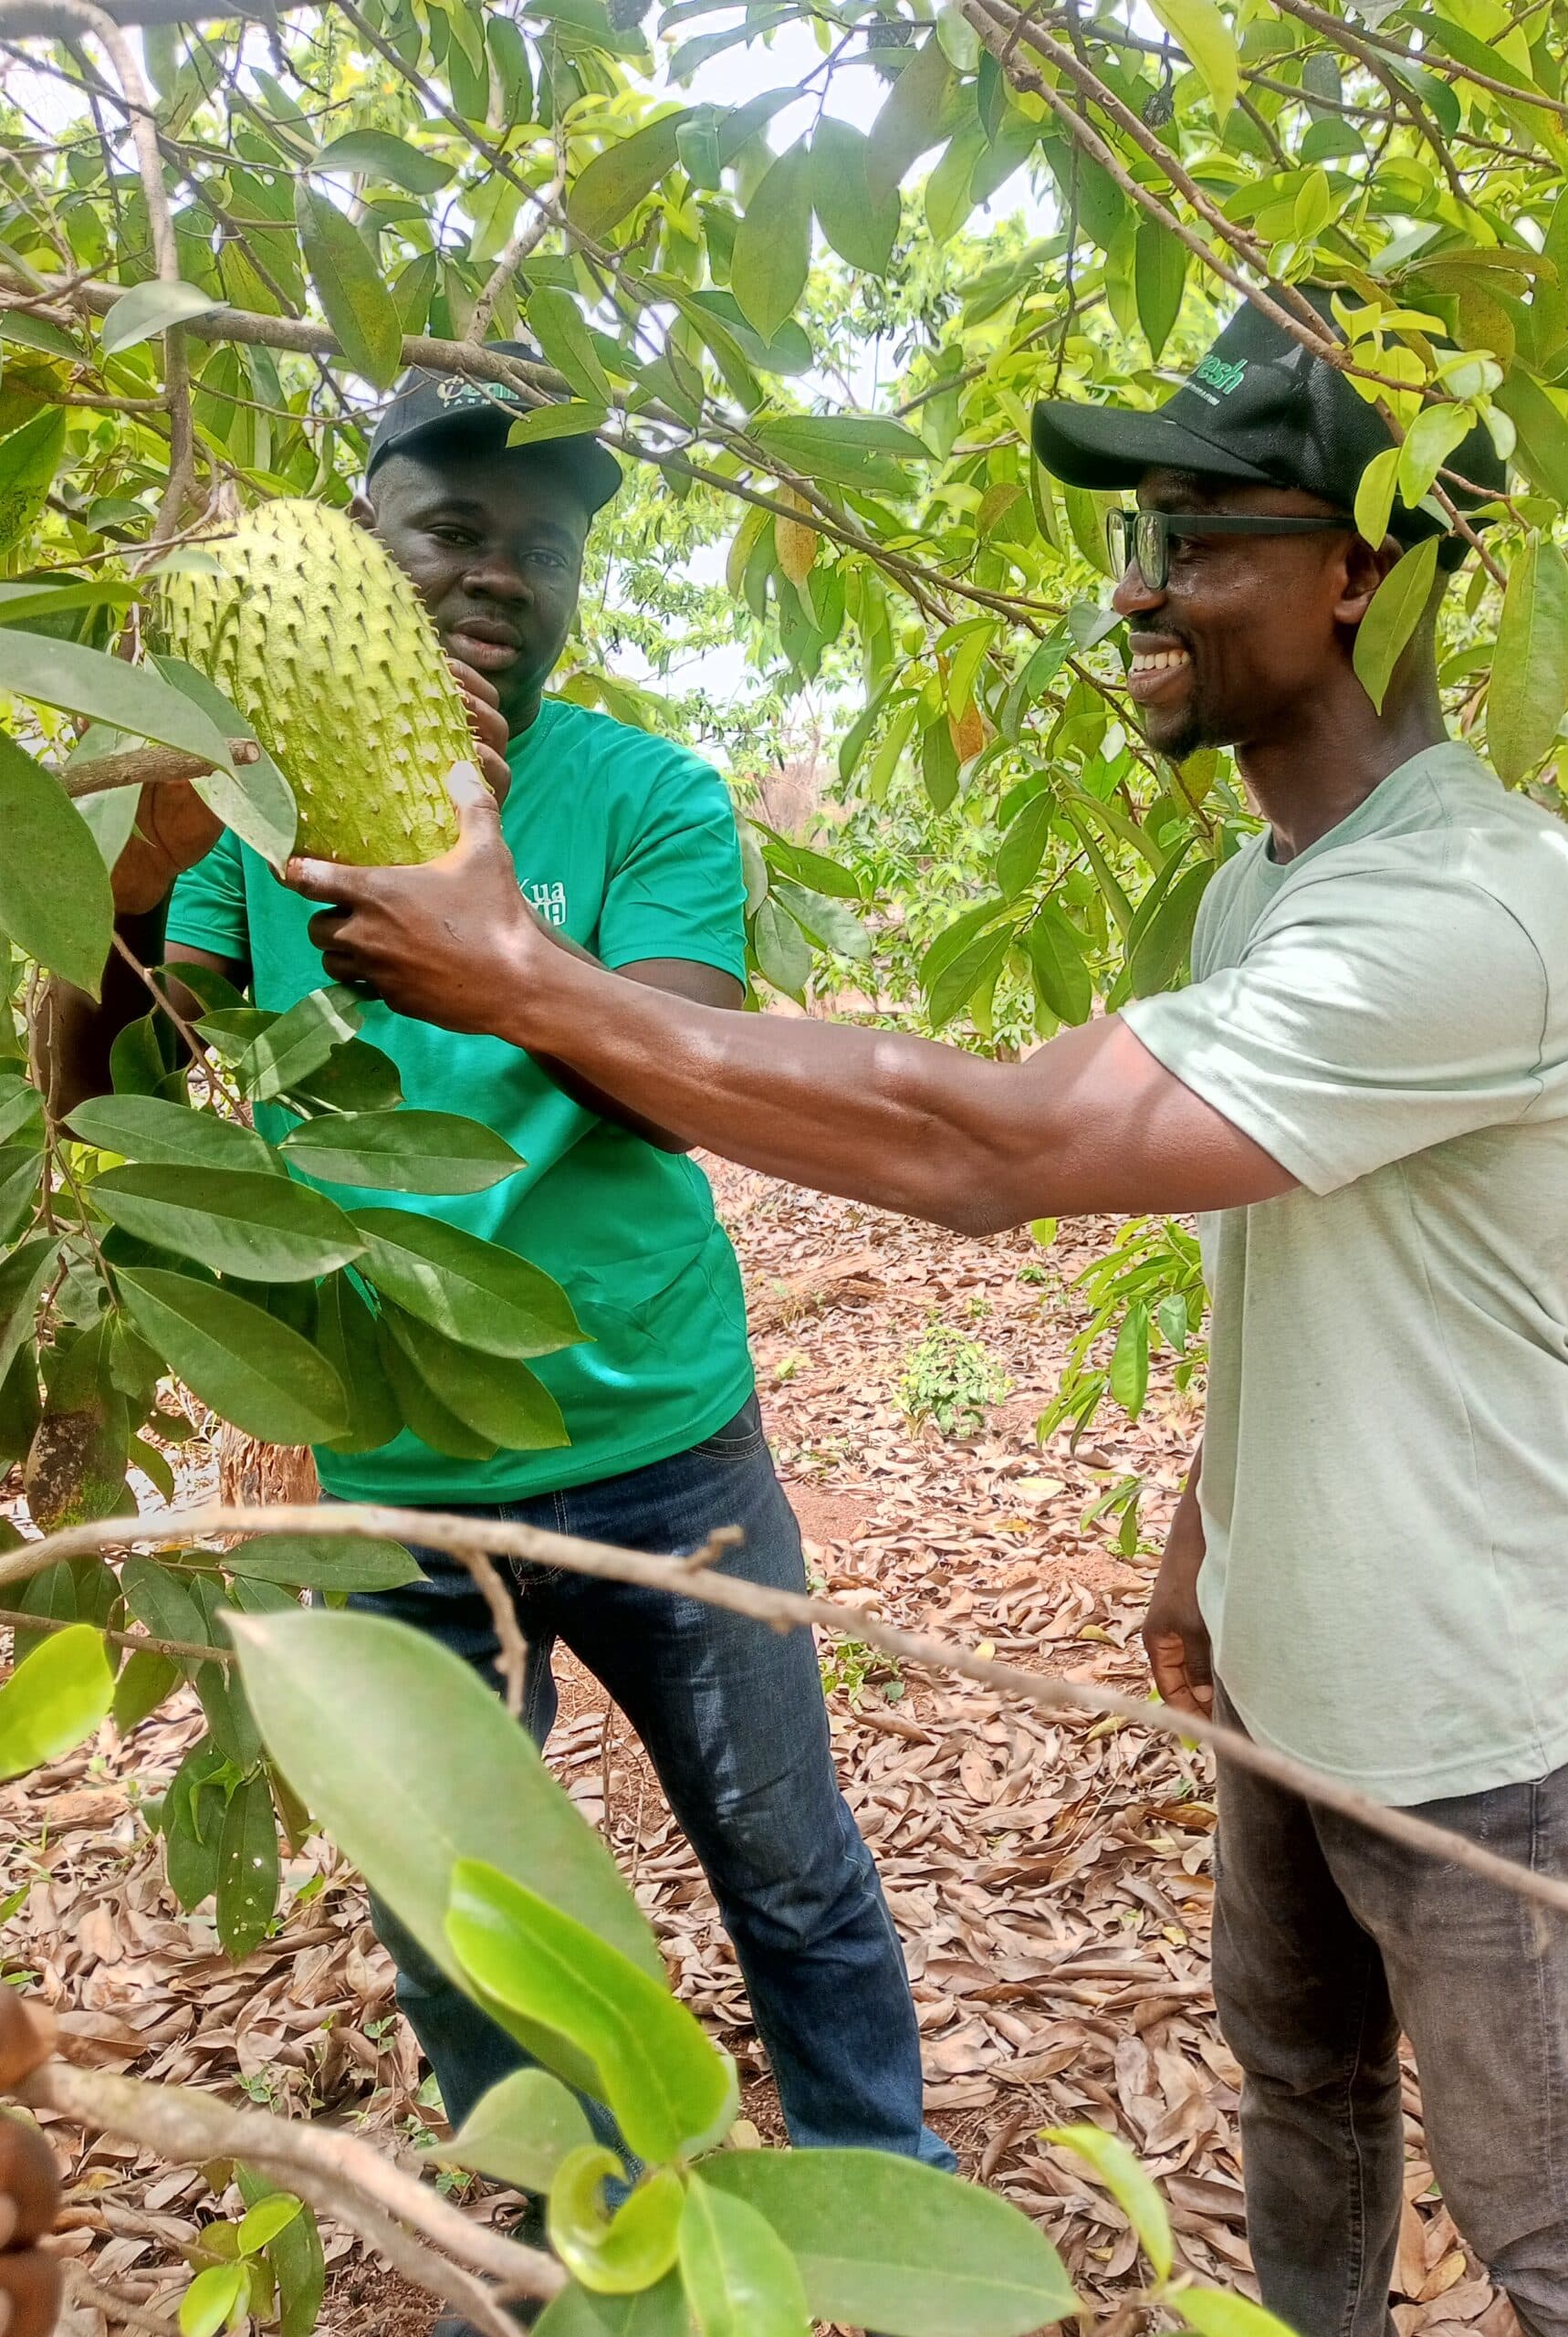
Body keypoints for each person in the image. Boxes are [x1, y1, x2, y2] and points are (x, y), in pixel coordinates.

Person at [287, 295, 1568, 2337]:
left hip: (1491, 1712)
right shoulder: (1272, 886)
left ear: (1365, 574)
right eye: (1141, 531)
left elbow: (1001, 1148)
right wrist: (1211, 1535)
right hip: (1309, 1678)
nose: (1143, 586)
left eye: (1205, 532)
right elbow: (1300, 1270)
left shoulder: (1470, 905)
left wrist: (518, 968)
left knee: (1557, 2241)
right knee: (1305, 2101)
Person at [47, 348, 953, 2237]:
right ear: (362, 545)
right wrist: (127, 887)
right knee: (458, 1917)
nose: (492, 575)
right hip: (390, 1460)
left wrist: (496, 944)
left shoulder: (644, 795)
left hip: (658, 1432)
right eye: (450, 529)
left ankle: (886, 2184)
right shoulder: (233, 814)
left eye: (535, 545)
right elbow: (106, 1097)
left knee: (789, 1860)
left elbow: (689, 1071)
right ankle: (558, 2242)